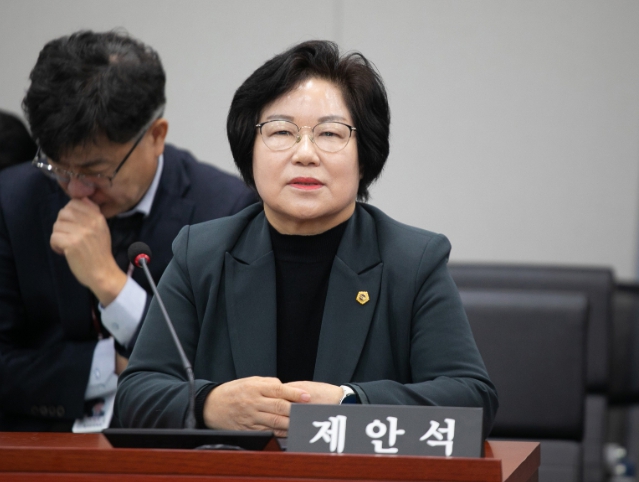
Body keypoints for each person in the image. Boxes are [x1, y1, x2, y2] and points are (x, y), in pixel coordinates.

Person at [116, 40, 498, 436]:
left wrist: (349, 403)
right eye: (281, 131)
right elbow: (137, 393)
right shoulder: (201, 255)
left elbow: (472, 399)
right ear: (250, 150)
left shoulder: (413, 261)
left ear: (364, 156)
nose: (305, 154)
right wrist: (209, 404)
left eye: (329, 133)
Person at [0, 31, 256, 431]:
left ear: (156, 136)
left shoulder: (227, 211)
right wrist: (105, 365)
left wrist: (111, 286)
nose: (75, 190)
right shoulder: (11, 201)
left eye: (96, 173)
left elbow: (220, 370)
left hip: (162, 450)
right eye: (58, 169)